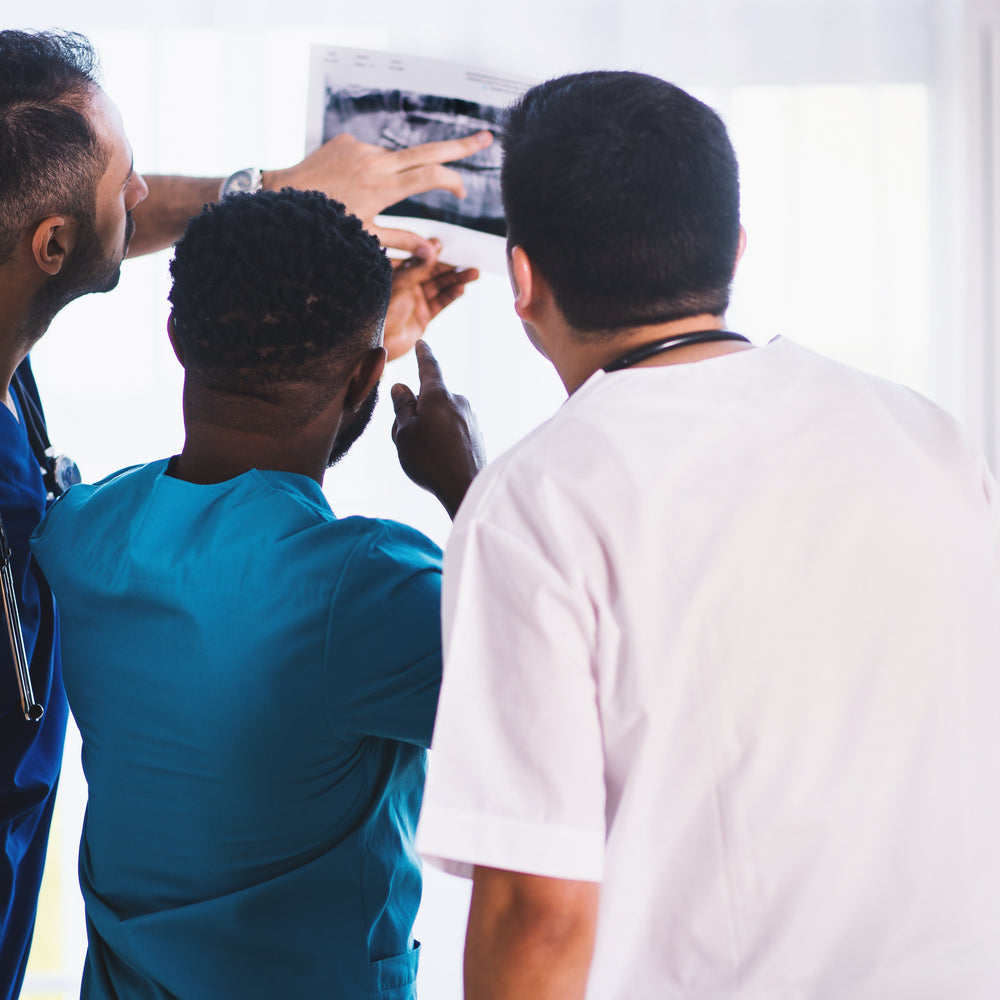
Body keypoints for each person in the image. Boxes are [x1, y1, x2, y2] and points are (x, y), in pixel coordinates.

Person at [390, 71, 1000, 998]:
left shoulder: (533, 501)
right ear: (737, 250)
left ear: (521, 277)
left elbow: (538, 912)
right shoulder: (928, 435)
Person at [0, 27, 487, 999]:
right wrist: (467, 486)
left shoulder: (79, 539)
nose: (139, 198)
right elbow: (559, 681)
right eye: (121, 182)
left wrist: (346, 364)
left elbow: (241, 500)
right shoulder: (377, 590)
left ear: (175, 336)